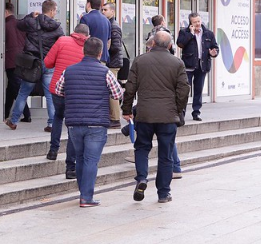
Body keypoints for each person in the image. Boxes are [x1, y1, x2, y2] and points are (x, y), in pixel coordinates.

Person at [55, 37, 123, 207]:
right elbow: (117, 94)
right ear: (100, 53)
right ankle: (86, 197)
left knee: (79, 157)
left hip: (74, 122)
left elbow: (58, 90)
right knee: (91, 160)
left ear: (83, 51)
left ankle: (83, 192)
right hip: (96, 123)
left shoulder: (69, 71)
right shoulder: (105, 72)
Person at [122, 31, 189, 204]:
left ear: (152, 43)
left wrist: (127, 110)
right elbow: (184, 90)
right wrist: (178, 110)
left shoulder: (140, 60)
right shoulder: (177, 63)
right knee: (166, 154)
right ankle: (163, 193)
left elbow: (130, 88)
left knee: (142, 148)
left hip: (144, 114)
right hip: (168, 116)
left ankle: (142, 178)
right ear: (170, 45)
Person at [5, 0, 64, 131]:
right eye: (55, 10)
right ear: (52, 11)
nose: (55, 12)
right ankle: (52, 124)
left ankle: (13, 121)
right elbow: (61, 44)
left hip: (32, 64)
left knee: (23, 93)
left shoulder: (32, 22)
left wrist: (30, 15)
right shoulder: (57, 27)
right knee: (50, 95)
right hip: (49, 63)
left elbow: (19, 25)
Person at [43, 24, 90, 179]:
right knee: (73, 126)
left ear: (74, 32)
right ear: (87, 35)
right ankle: (70, 167)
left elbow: (47, 62)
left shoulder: (62, 40)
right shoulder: (89, 47)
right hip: (76, 92)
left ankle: (53, 151)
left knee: (57, 116)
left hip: (58, 88)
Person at [176, 12, 219, 121]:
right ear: (190, 23)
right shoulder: (184, 32)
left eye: (199, 21)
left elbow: (215, 47)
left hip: (202, 65)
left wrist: (214, 53)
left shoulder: (208, 33)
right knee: (185, 90)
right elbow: (180, 44)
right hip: (188, 65)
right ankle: (181, 113)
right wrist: (190, 34)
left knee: (198, 90)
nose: (198, 24)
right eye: (195, 22)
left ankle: (196, 112)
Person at [4, 2, 31, 122]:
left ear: (5, 12)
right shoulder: (20, 24)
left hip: (10, 61)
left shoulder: (5, 25)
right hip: (22, 60)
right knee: (10, 88)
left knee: (16, 88)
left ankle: (27, 114)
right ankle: (5, 113)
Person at [101, 2, 123, 129]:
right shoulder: (108, 24)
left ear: (112, 12)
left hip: (113, 63)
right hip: (111, 62)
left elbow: (116, 47)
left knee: (112, 91)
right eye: (102, 10)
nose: (103, 12)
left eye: (105, 10)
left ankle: (115, 119)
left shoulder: (114, 26)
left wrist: (104, 49)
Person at [79, 0, 111, 64]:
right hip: (103, 58)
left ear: (88, 4)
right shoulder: (106, 20)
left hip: (89, 59)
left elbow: (81, 39)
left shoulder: (85, 18)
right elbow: (108, 42)